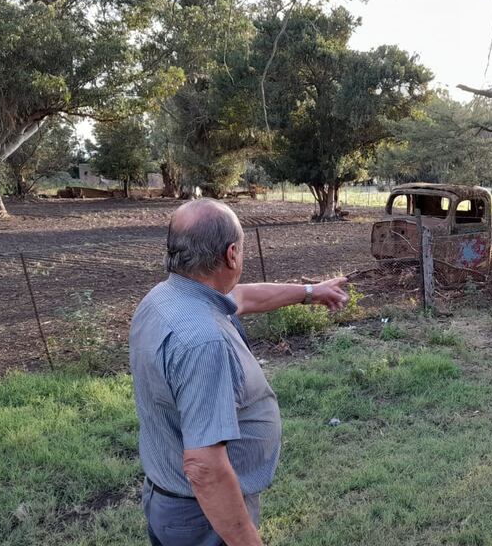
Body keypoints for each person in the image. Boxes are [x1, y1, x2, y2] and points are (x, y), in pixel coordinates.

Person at [130, 199, 349, 546]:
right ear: (232, 254)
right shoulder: (204, 341)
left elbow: (243, 297)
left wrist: (310, 292)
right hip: (203, 517)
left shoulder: (166, 298)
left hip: (172, 501)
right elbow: (205, 467)